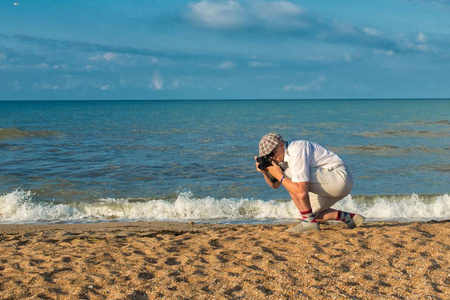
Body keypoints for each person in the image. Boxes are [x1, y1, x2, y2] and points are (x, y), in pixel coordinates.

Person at [255, 133, 365, 233]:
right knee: (303, 213)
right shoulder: (282, 158)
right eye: (267, 157)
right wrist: (266, 172)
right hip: (331, 182)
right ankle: (348, 218)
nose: (271, 157)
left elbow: (301, 193)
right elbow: (275, 185)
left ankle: (309, 223)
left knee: (290, 175)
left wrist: (280, 174)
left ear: (281, 145)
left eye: (271, 153)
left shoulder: (296, 149)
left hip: (339, 177)